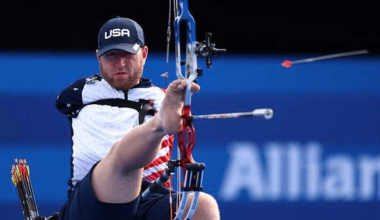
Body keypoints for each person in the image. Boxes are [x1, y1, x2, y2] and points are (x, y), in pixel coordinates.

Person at [55, 16, 220, 220]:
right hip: (93, 200)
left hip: (150, 197)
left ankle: (160, 125)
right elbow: (61, 102)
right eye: (111, 55)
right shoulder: (81, 92)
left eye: (128, 54)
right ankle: (159, 124)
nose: (120, 63)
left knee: (203, 206)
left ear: (144, 53)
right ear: (98, 57)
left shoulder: (163, 97)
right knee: (121, 160)